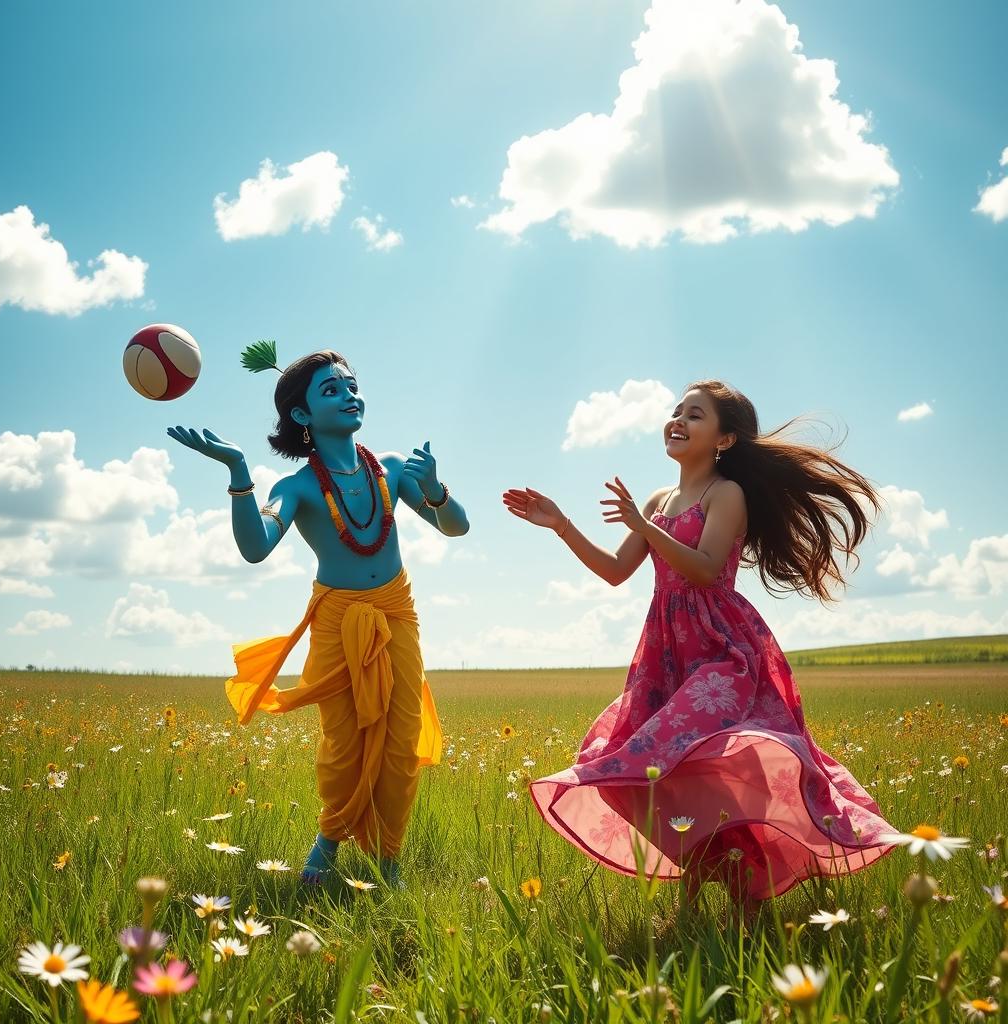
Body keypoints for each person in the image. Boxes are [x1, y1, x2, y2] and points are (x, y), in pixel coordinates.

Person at [502, 379, 894, 909]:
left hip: (720, 646)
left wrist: (645, 525)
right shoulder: (660, 500)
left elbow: (708, 570)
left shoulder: (725, 494)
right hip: (664, 651)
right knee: (650, 768)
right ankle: (710, 871)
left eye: (695, 415)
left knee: (711, 754)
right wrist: (562, 525)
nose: (678, 421)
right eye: (677, 412)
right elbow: (617, 571)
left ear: (724, 440)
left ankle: (751, 878)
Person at [167, 344, 468, 889]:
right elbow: (256, 547)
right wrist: (239, 472)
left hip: (397, 613)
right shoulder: (298, 486)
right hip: (335, 619)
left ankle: (387, 861)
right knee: (343, 742)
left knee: (400, 740)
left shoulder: (395, 470)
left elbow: (456, 527)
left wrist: (436, 491)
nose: (349, 395)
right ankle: (327, 845)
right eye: (331, 390)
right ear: (302, 416)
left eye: (351, 385)